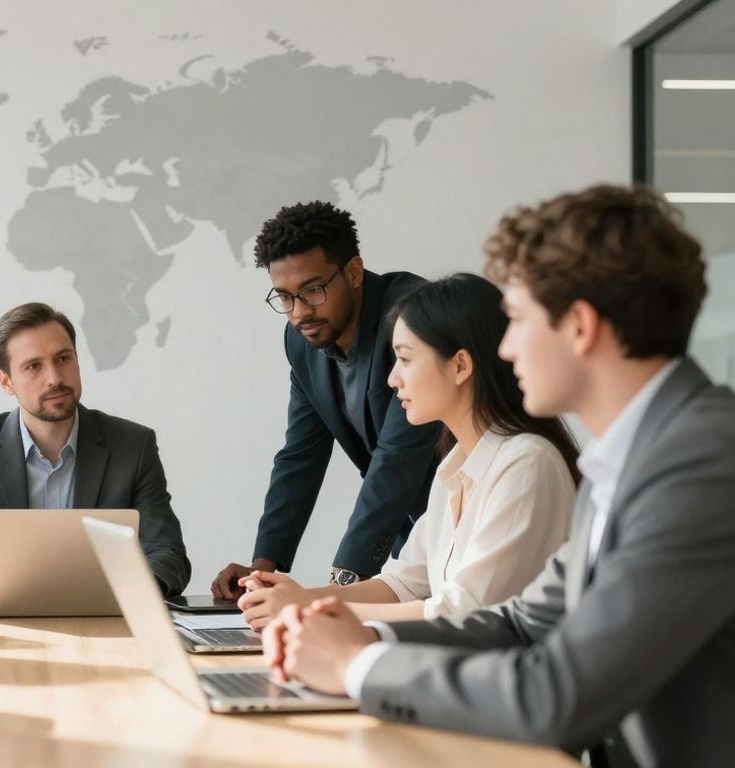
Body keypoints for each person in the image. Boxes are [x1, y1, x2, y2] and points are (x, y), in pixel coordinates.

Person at [262, 185, 735, 768]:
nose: (504, 349)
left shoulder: (701, 464)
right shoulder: (630, 457)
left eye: (516, 320)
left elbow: (559, 694)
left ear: (580, 327)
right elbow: (521, 621)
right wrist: (360, 640)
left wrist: (357, 667)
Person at [236, 274, 578, 630]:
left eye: (405, 359)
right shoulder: (455, 468)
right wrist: (301, 597)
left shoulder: (525, 463)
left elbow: (461, 613)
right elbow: (403, 584)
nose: (392, 379)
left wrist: (309, 608)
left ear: (460, 365)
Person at [213, 202, 440, 598]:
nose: (299, 312)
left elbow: (397, 458)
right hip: (414, 543)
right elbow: (300, 455)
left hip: (474, 525)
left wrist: (340, 585)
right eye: (284, 297)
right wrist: (262, 570)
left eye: (312, 290)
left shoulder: (413, 316)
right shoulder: (301, 343)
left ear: (353, 271)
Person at [0, 302, 191, 599]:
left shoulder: (133, 446)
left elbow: (168, 554)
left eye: (63, 358)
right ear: (6, 381)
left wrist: (131, 592)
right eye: (33, 366)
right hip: (1, 629)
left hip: (105, 623)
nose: (54, 378)